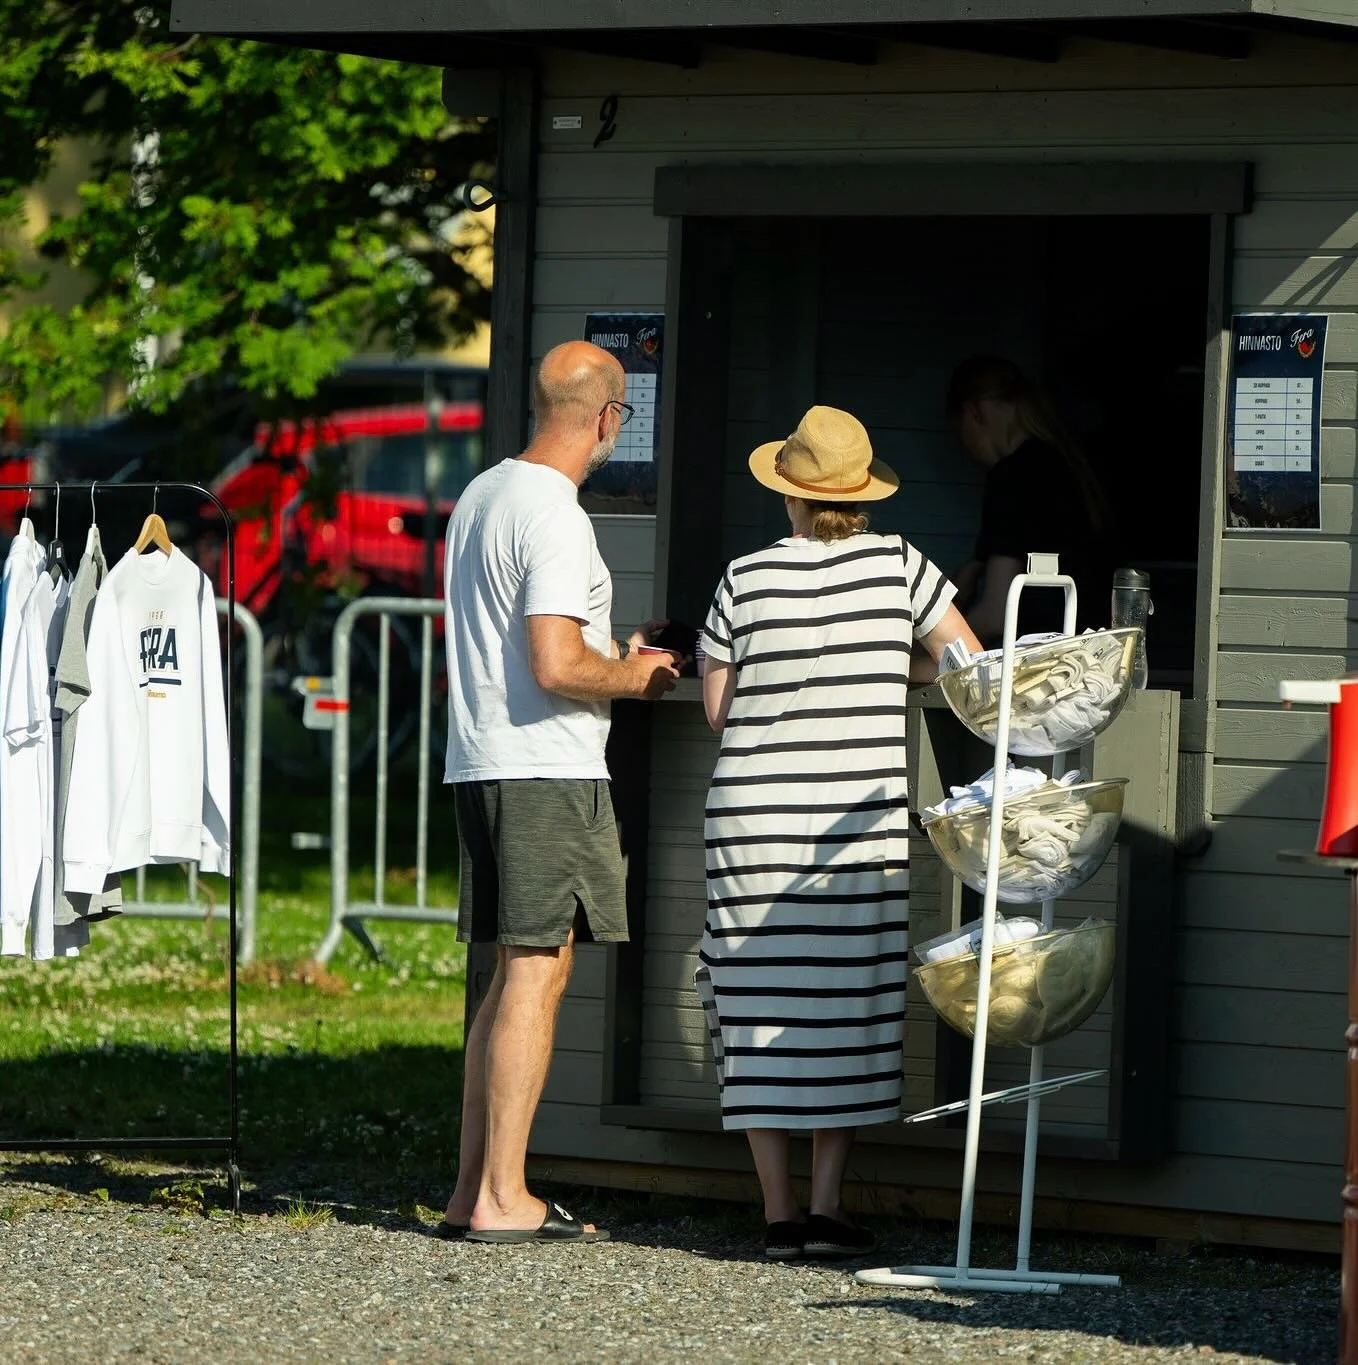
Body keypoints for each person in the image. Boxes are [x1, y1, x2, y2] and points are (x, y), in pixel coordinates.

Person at [695, 405, 981, 1261]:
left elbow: (718, 710)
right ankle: (827, 1209)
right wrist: (899, 657)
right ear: (863, 496)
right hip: (850, 835)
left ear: (787, 493)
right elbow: (967, 660)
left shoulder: (744, 577)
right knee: (846, 1007)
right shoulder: (902, 567)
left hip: (750, 824)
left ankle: (778, 1214)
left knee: (754, 1005)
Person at [440, 341, 681, 1244]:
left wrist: (616, 652)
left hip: (483, 759)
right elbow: (553, 662)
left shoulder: (482, 495)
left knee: (510, 975)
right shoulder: (556, 513)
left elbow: (514, 647)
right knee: (537, 974)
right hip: (547, 766)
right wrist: (641, 677)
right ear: (610, 418)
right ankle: (505, 1196)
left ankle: (473, 1190)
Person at [945, 356, 1114, 644]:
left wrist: (934, 649)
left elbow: (994, 616)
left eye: (959, 433)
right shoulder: (1067, 464)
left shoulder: (1012, 476)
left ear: (973, 412)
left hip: (1041, 655)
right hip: (1092, 647)